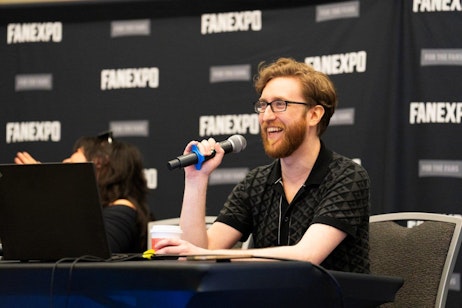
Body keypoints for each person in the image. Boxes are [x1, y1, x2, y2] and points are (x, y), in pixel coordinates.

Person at [154, 57, 371, 273]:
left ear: (314, 115)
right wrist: (195, 179)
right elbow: (200, 254)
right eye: (263, 105)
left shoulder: (347, 176)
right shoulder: (256, 182)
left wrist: (207, 255)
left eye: (279, 104)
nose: (266, 116)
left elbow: (307, 255)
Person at [14, 132, 151, 253]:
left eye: (71, 164)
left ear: (101, 166)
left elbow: (92, 252)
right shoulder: (89, 210)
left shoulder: (123, 209)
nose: (64, 162)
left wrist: (47, 189)